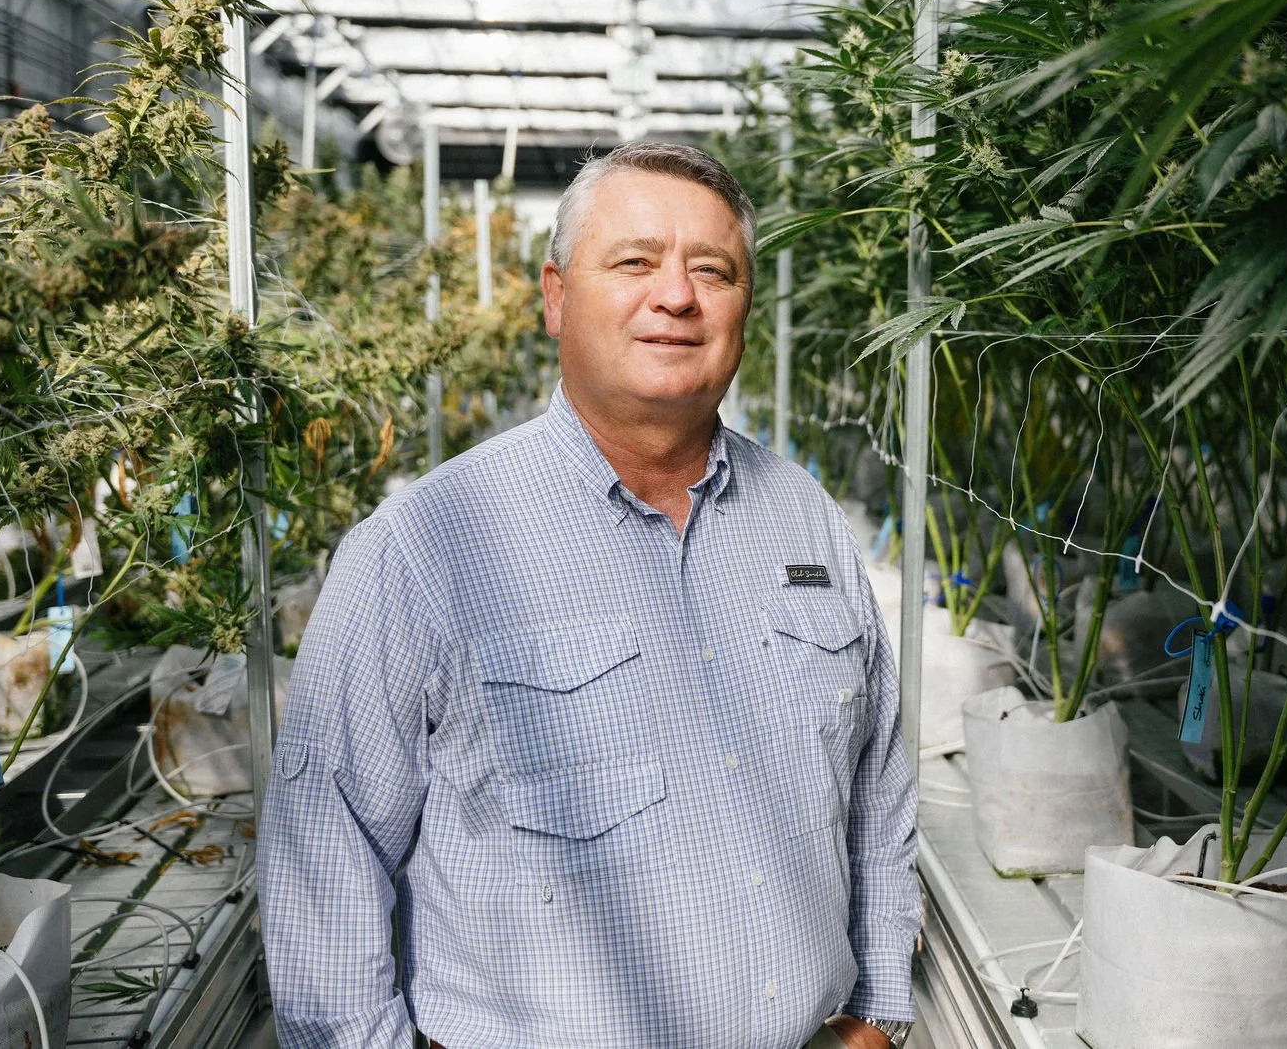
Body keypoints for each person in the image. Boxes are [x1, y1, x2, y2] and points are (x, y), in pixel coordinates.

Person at [259, 143, 918, 1049]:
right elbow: (324, 855)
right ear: (557, 296)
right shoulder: (425, 546)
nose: (677, 296)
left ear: (744, 309)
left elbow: (877, 789)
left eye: (712, 270)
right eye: (635, 261)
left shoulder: (804, 520)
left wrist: (877, 1012)